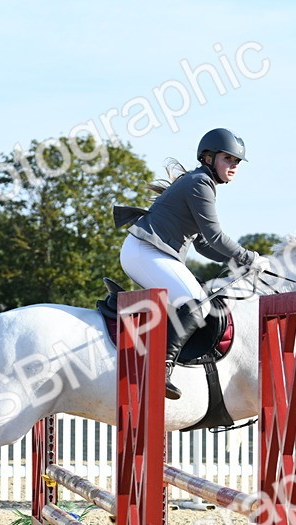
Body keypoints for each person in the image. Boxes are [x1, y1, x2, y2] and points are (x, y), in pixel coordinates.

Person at [115, 128, 269, 399]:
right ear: (208, 157)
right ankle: (159, 369)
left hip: (149, 252)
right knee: (197, 301)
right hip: (146, 251)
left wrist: (240, 263)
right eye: (228, 159)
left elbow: (203, 244)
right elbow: (216, 236)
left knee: (195, 299)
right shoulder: (200, 183)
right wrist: (249, 257)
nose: (233, 166)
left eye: (237, 162)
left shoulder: (199, 182)